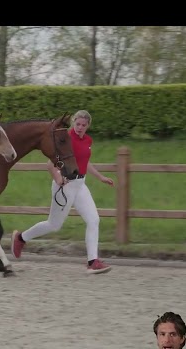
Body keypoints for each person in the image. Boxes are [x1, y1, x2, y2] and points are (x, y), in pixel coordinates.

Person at [10, 109, 114, 274]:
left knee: (94, 220)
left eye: (83, 125)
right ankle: (21, 238)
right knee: (54, 225)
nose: (80, 127)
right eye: (77, 124)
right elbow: (50, 164)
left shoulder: (88, 140)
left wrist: (100, 177)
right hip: (65, 185)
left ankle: (93, 261)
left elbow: (84, 161)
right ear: (73, 123)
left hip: (80, 184)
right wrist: (58, 178)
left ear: (88, 126)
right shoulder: (66, 138)